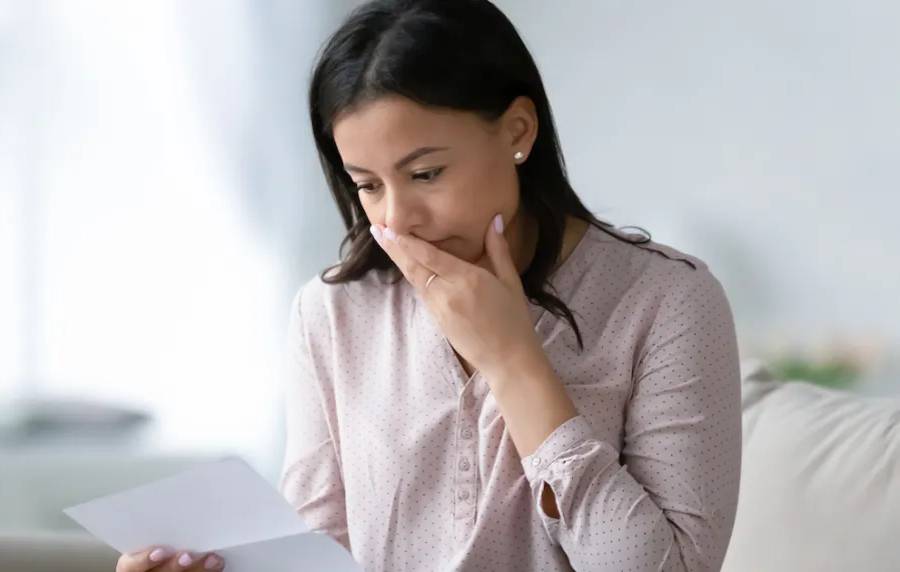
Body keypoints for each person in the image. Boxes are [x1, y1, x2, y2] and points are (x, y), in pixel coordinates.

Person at [116, 0, 742, 570]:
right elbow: (318, 555)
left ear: (518, 132)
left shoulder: (668, 301)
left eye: (426, 173)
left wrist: (514, 360)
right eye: (367, 184)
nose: (395, 218)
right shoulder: (332, 313)